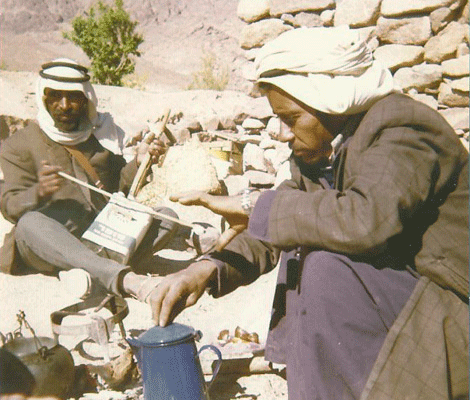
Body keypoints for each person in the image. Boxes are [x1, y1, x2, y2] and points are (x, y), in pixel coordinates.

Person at [147, 27, 469, 399]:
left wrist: (253, 205)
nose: (283, 134)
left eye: (292, 118)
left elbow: (366, 220)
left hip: (450, 310)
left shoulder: (401, 127)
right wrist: (206, 269)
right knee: (311, 252)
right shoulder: (326, 148)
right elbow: (288, 218)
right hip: (409, 306)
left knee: (326, 268)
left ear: (328, 101)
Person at [0, 59, 177, 305]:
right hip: (49, 243)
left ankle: (88, 272)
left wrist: (139, 160)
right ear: (43, 97)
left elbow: (117, 191)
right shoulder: (18, 145)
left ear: (86, 100)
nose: (64, 106)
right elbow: (9, 206)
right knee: (29, 224)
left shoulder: (96, 140)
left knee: (165, 217)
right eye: (55, 96)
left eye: (73, 97)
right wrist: (38, 192)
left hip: (97, 237)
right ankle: (123, 279)